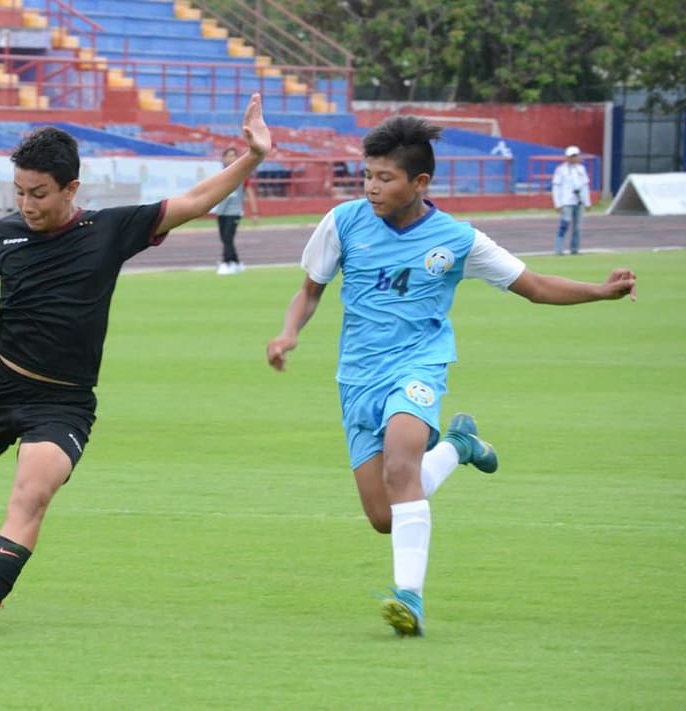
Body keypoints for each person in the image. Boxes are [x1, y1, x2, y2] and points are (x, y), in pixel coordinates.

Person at [0, 94, 272, 635]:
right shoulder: (0, 236)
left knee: (32, 495)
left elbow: (194, 199)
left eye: (39, 193)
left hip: (63, 403)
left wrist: (251, 158)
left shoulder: (110, 230)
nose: (27, 204)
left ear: (71, 189)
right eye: (18, 192)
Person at [264, 116, 637, 638]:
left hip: (418, 367)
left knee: (400, 464)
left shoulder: (457, 239)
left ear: (420, 183)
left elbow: (532, 284)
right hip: (357, 379)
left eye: (385, 177)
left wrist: (600, 291)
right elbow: (310, 291)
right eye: (367, 175)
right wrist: (287, 334)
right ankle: (458, 447)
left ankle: (408, 599)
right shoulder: (344, 222)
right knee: (385, 516)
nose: (371, 186)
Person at [212, 146, 260, 274]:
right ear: (223, 158)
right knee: (225, 238)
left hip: (234, 211)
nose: (230, 158)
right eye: (228, 155)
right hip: (221, 211)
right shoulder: (219, 174)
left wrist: (254, 212)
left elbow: (249, 192)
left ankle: (226, 263)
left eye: (233, 155)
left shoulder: (242, 174)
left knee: (228, 237)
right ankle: (237, 263)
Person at [552, 145, 591, 255]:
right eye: (570, 156)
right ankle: (559, 249)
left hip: (579, 201)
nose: (572, 158)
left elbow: (585, 187)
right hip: (566, 201)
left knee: (578, 227)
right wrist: (557, 203)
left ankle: (575, 249)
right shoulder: (561, 170)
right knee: (564, 225)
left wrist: (587, 202)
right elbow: (556, 187)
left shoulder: (581, 169)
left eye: (574, 156)